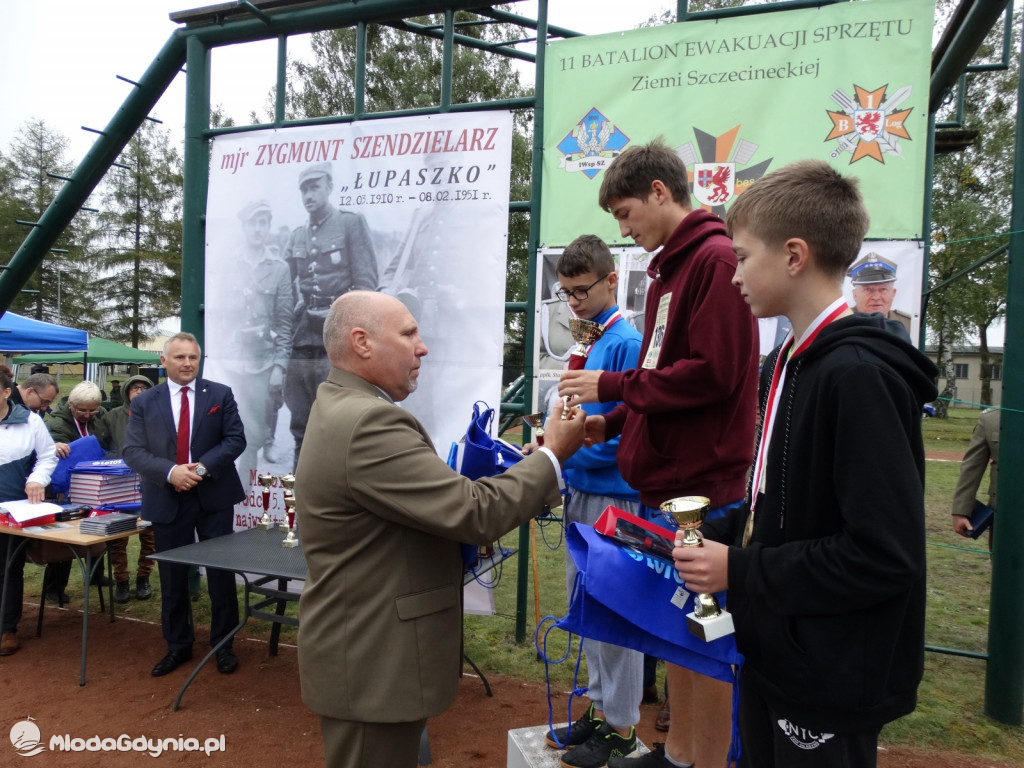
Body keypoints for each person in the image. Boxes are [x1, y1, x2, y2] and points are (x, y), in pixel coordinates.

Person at [673, 159, 938, 768]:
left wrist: (740, 570)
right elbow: (784, 506)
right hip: (779, 651)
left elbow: (882, 556)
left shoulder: (859, 377)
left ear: (794, 255)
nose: (733, 274)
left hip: (831, 673)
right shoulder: (786, 362)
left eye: (741, 257)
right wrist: (708, 536)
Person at [295, 290, 585, 768]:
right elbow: (474, 513)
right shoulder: (369, 421)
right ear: (362, 342)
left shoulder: (347, 405)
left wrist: (527, 468)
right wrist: (554, 455)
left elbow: (436, 510)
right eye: (409, 333)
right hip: (373, 659)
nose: (422, 346)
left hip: (369, 652)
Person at [559, 139, 759, 768]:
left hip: (701, 487)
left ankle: (707, 758)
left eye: (625, 213)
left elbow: (716, 374)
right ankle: (679, 755)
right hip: (667, 481)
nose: (623, 228)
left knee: (704, 639)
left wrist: (611, 388)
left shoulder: (714, 258)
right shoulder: (674, 267)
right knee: (676, 632)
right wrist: (611, 420)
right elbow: (664, 370)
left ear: (660, 193)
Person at [536, 235, 645, 767]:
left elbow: (631, 433)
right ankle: (602, 710)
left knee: (616, 616)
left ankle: (622, 727)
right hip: (582, 490)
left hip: (615, 499)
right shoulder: (586, 336)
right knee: (588, 611)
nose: (574, 300)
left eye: (582, 290)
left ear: (610, 281)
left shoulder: (626, 342)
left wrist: (570, 451)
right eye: (565, 292)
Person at [122, 332, 246, 678]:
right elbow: (132, 451)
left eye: (193, 357)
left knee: (220, 574)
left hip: (213, 496)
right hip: (166, 497)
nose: (188, 363)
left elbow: (235, 439)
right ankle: (177, 646)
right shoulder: (146, 402)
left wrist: (200, 469)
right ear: (164, 361)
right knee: (172, 575)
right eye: (179, 357)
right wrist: (172, 472)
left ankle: (224, 646)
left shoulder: (219, 394)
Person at [284, 161, 379, 468]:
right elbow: (289, 287)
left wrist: (352, 330)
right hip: (303, 334)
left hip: (337, 332)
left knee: (336, 417)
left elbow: (366, 284)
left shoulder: (350, 223)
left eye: (314, 187)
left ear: (329, 187)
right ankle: (299, 491)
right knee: (300, 416)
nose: (308, 194)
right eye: (304, 189)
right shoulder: (297, 235)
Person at [208, 198, 293, 470]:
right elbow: (216, 314)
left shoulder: (279, 268)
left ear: (268, 227)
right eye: (253, 224)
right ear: (244, 227)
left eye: (263, 223)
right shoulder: (228, 265)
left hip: (261, 362)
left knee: (255, 429)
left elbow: (284, 321)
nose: (258, 229)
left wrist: (280, 365)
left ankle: (249, 489)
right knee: (221, 427)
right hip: (229, 362)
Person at [0, 368, 59, 656]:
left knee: (8, 568)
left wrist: (37, 479)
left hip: (10, 510)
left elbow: (47, 456)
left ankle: (6, 628)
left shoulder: (31, 421)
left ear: (6, 391)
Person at [44, 380, 110, 603]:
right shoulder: (56, 424)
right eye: (82, 410)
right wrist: (56, 445)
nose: (88, 414)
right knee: (64, 539)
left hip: (93, 484)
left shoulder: (100, 418)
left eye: (93, 410)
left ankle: (95, 575)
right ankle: (53, 588)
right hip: (65, 489)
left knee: (98, 528)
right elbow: (47, 451)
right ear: (71, 405)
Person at [100, 374, 157, 602]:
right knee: (118, 535)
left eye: (144, 388)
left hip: (150, 481)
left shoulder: (159, 414)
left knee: (149, 533)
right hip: (120, 484)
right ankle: (121, 580)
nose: (139, 391)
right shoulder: (113, 416)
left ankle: (144, 577)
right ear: (126, 391)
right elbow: (101, 442)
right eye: (135, 388)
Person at [952, 408, 999, 539]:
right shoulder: (991, 420)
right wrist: (961, 511)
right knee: (1005, 559)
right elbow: (972, 467)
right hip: (1005, 515)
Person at [848, 253, 912, 340]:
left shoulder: (908, 324)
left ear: (893, 293)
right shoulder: (840, 321)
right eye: (868, 289)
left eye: (883, 289)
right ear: (855, 295)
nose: (876, 297)